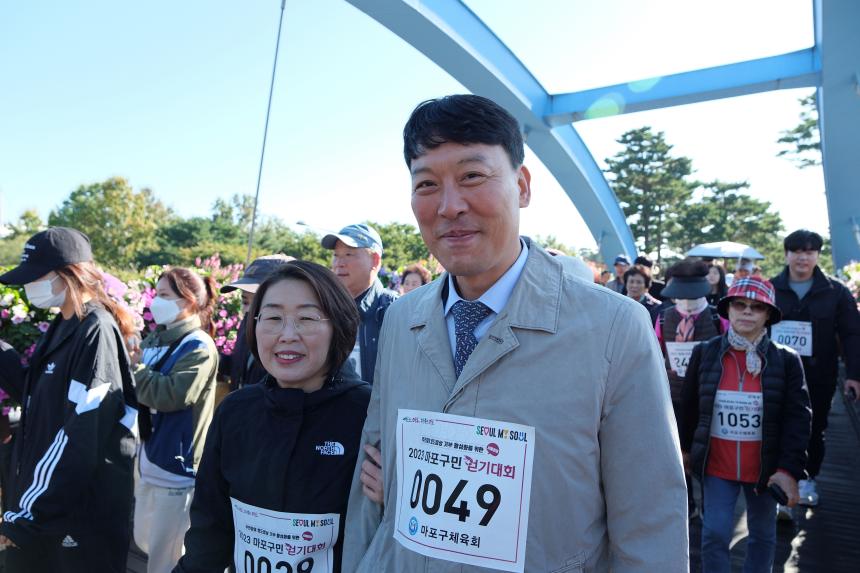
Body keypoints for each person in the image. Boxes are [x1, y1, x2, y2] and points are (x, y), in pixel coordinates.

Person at [342, 94, 687, 572]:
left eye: (472, 176)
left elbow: (650, 527)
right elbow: (372, 477)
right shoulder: (403, 319)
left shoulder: (614, 329)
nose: (449, 206)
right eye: (427, 184)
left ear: (522, 186)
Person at [173, 261, 370, 573]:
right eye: (273, 318)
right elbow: (211, 528)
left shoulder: (369, 413)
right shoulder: (235, 412)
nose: (287, 335)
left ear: (339, 325)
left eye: (306, 318)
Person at [0, 227, 138, 572]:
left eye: (35, 277)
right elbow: (38, 399)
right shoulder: (64, 324)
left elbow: (79, 433)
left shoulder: (95, 331)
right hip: (52, 512)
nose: (29, 286)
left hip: (79, 522)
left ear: (68, 274)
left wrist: (24, 515)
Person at [680, 276, 811, 573]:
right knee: (714, 533)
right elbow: (689, 407)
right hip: (717, 464)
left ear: (768, 315)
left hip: (763, 469)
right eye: (740, 304)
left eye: (757, 307)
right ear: (728, 310)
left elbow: (798, 417)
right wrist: (686, 449)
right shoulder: (705, 353)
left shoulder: (786, 360)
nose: (747, 312)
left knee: (763, 535)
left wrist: (788, 469)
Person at [131, 267, 220, 573]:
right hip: (148, 459)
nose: (157, 301)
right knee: (146, 543)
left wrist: (135, 370)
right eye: (156, 294)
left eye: (165, 295)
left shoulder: (198, 346)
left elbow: (172, 395)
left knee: (166, 558)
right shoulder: (157, 339)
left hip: (176, 467)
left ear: (188, 301)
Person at [769, 229, 860, 507]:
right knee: (774, 423)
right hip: (775, 373)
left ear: (817, 255)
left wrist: (855, 375)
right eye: (797, 251)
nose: (802, 257)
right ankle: (775, 480)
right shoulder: (771, 288)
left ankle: (807, 478)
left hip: (818, 376)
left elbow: (852, 334)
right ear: (786, 254)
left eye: (809, 252)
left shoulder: (836, 292)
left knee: (814, 425)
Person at [655, 259, 728, 519]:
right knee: (677, 450)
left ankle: (711, 503)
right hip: (674, 396)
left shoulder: (719, 318)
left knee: (709, 451)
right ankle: (685, 504)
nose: (685, 301)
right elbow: (657, 351)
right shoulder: (664, 317)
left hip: (709, 397)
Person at [321, 223, 398, 382]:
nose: (339, 263)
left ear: (375, 261)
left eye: (349, 254)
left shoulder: (396, 310)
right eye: (336, 255)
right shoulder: (323, 310)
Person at [219, 254, 294, 391]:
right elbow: (241, 367)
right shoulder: (247, 323)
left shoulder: (292, 338)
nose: (249, 310)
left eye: (259, 301)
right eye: (245, 301)